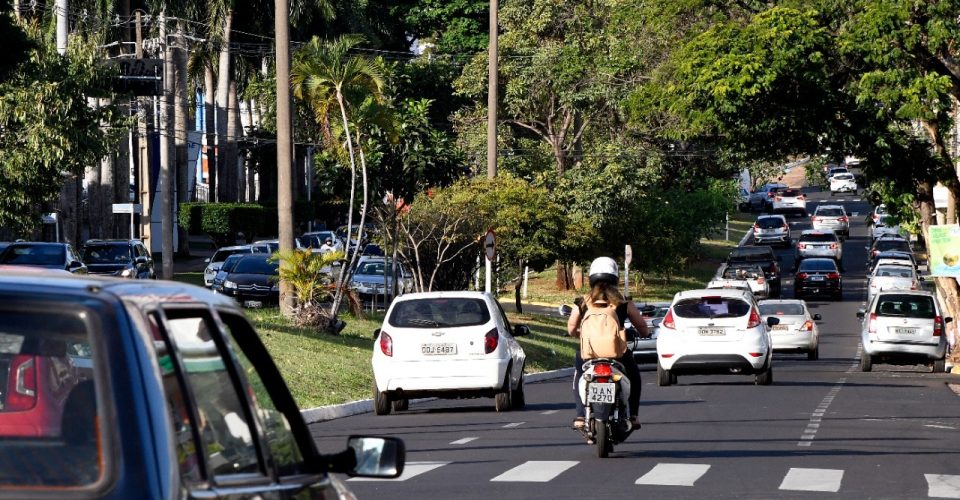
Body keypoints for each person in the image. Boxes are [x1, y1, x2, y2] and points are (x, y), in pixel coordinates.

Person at [567, 256, 649, 430]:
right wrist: (645, 333)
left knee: (579, 375)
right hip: (618, 354)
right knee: (634, 376)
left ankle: (581, 415)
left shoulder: (582, 302)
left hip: (589, 353)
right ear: (616, 278)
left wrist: (578, 334)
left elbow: (571, 327)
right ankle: (633, 415)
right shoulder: (624, 303)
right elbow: (641, 326)